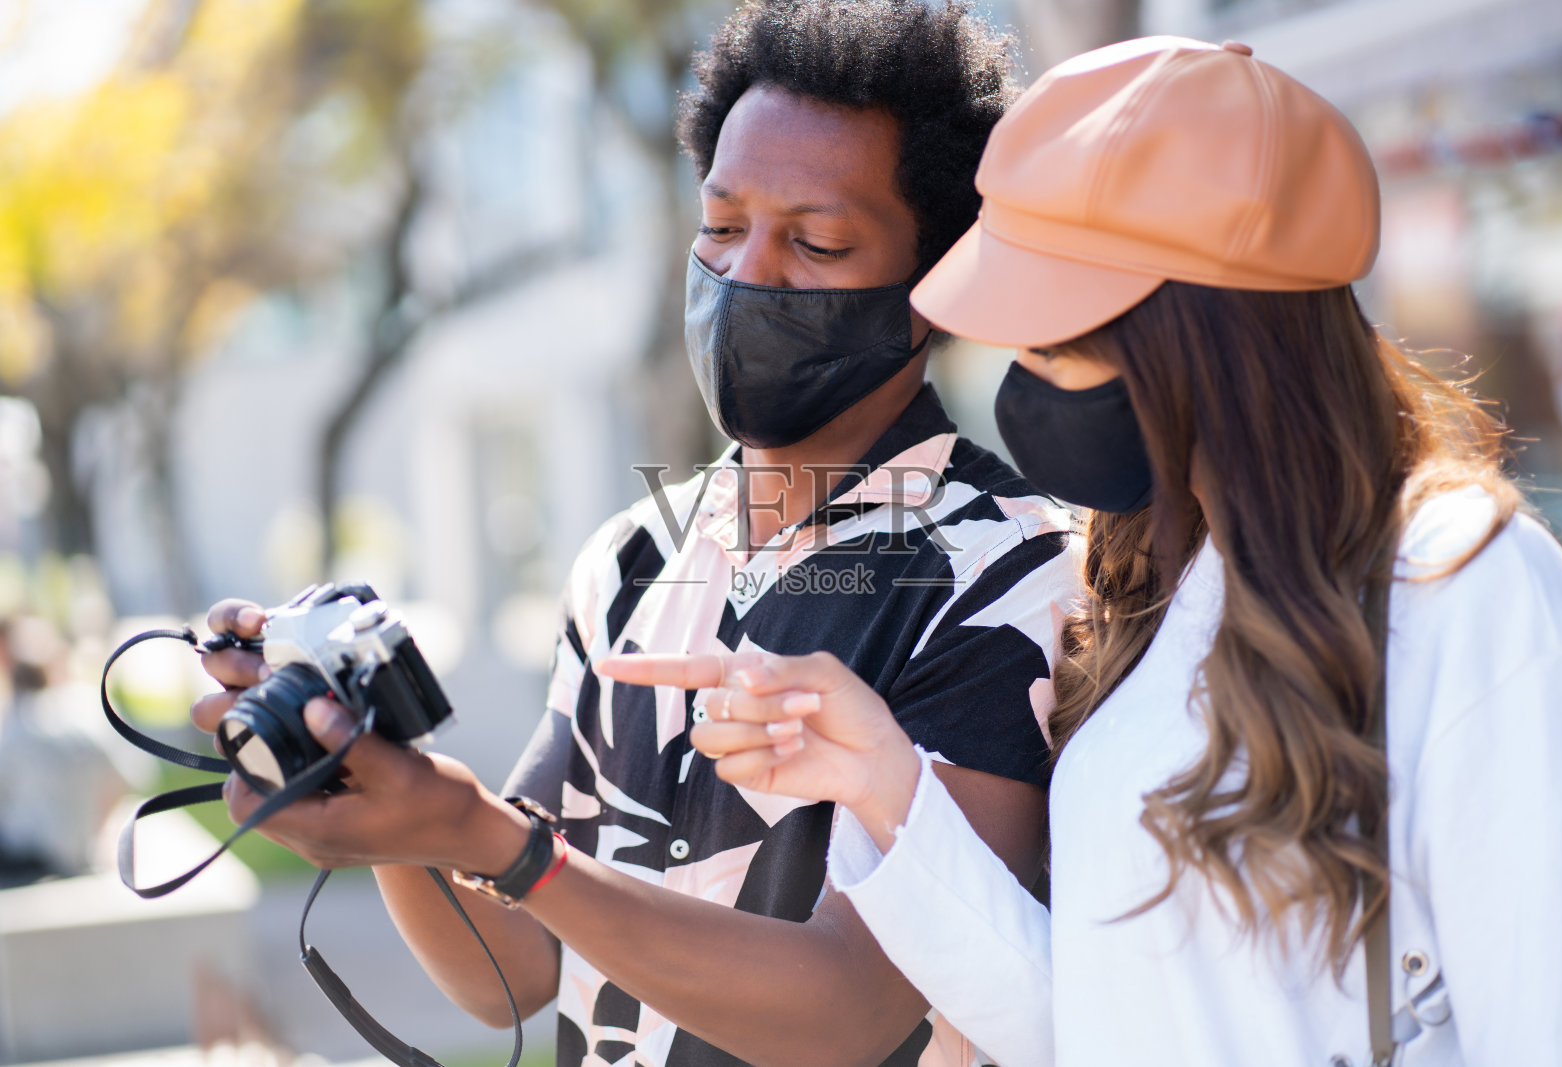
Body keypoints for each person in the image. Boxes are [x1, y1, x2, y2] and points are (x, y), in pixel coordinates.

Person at [604, 36, 1562, 1067]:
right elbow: (1085, 1024)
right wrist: (883, 779)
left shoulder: (1461, 584)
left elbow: (1554, 1022)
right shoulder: (1152, 595)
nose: (1023, 381)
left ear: (1194, 335)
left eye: (1051, 337)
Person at [192, 3, 1082, 1065]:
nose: (749, 273)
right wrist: (381, 782)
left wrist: (499, 842)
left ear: (934, 283)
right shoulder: (634, 554)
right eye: (720, 225)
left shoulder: (1017, 573)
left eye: (817, 241)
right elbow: (513, 968)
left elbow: (854, 1007)